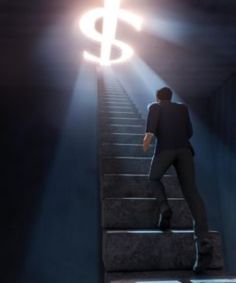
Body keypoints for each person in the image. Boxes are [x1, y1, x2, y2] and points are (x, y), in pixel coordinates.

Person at [143, 87, 213, 273]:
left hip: (165, 150)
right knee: (192, 194)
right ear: (171, 97)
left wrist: (146, 142)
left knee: (153, 178)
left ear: (158, 97)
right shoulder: (182, 108)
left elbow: (150, 131)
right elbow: (189, 132)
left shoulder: (154, 107)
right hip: (184, 151)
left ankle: (165, 208)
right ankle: (203, 241)